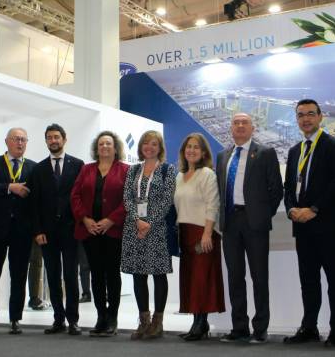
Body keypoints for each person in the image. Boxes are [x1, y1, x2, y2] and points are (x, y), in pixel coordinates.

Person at [282, 99, 335, 347]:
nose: (306, 119)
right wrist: (290, 210)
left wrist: (314, 209)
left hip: (327, 224)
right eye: (301, 115)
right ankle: (309, 327)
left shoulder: (334, 145)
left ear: (321, 117)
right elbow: (288, 187)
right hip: (302, 226)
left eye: (311, 114)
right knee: (308, 280)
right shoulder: (294, 151)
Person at [215, 113, 283, 344]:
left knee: (259, 277)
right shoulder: (222, 156)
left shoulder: (265, 153)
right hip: (230, 224)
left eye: (245, 123)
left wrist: (263, 215)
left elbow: (276, 190)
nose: (240, 126)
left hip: (255, 224)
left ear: (252, 128)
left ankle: (261, 328)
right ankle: (239, 327)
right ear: (231, 128)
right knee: (235, 278)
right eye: (236, 123)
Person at [0, 128, 37, 335]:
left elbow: (37, 198)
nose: (20, 143)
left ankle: (15, 320)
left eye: (23, 140)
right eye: (16, 139)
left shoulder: (33, 167)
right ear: (7, 141)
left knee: (19, 276)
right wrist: (9, 187)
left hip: (22, 231)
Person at [71, 131, 129, 337]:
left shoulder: (125, 170)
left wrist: (110, 220)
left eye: (109, 144)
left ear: (115, 148)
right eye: (101, 144)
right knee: (96, 275)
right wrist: (85, 219)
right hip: (90, 231)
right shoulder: (86, 169)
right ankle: (100, 317)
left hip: (113, 231)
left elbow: (128, 200)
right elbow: (75, 196)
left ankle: (112, 317)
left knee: (112, 274)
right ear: (97, 148)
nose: (105, 146)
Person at [29, 123, 85, 335]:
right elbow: (34, 203)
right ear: (46, 141)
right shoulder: (39, 169)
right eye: (49, 138)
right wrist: (37, 231)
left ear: (64, 139)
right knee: (52, 276)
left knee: (71, 275)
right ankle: (58, 319)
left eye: (56, 137)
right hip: (47, 233)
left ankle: (73, 320)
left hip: (72, 230)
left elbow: (81, 198)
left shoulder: (78, 165)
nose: (53, 141)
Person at [121, 130, 177, 340]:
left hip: (157, 230)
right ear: (141, 147)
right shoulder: (133, 170)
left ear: (159, 147)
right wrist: (138, 220)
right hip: (134, 228)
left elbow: (167, 200)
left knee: (158, 274)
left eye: (154, 144)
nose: (149, 147)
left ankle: (157, 322)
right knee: (138, 275)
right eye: (146, 143)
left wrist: (149, 222)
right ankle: (143, 321)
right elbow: (127, 197)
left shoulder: (167, 170)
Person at [174, 132, 224, 342]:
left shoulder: (207, 174)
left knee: (202, 280)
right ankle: (196, 321)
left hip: (202, 233)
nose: (191, 150)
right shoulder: (179, 176)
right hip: (184, 233)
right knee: (190, 279)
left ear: (203, 152)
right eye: (188, 147)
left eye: (196, 147)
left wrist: (206, 234)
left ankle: (200, 323)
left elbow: (213, 205)